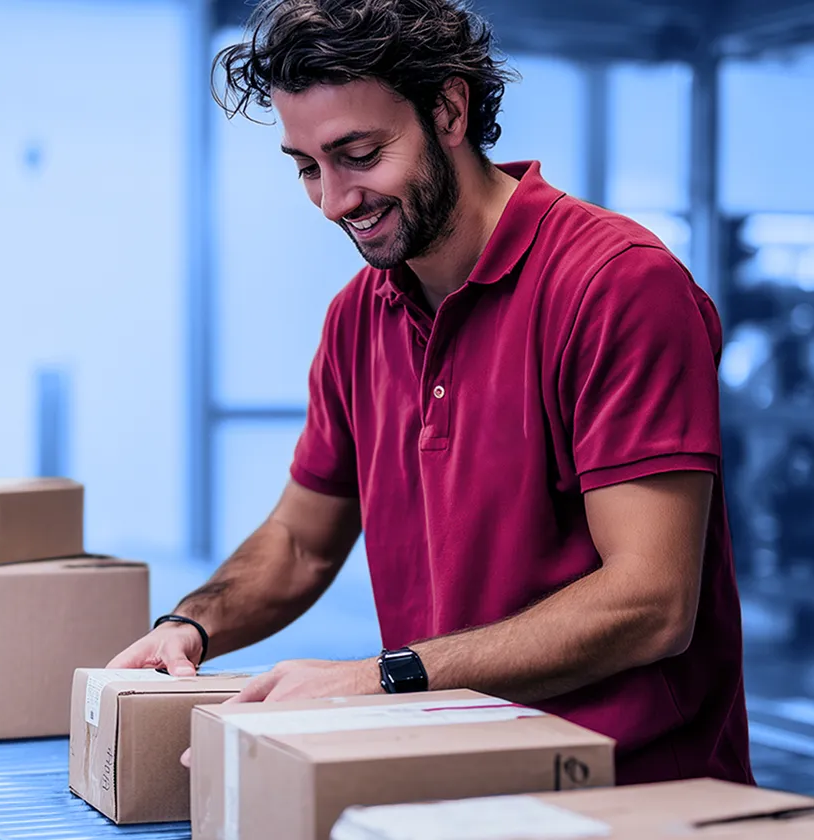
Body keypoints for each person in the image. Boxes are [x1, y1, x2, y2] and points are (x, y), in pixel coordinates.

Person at [108, 0, 753, 786]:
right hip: (450, 785)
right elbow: (302, 542)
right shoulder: (359, 318)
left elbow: (649, 602)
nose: (334, 200)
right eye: (308, 166)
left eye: (359, 154)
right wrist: (190, 625)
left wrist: (377, 680)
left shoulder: (615, 286)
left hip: (634, 798)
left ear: (450, 108)